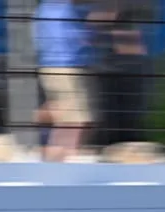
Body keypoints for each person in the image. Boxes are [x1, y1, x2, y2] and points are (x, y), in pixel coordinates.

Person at [33, 0, 101, 161]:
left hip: (62, 65)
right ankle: (64, 158)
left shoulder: (48, 7)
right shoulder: (57, 7)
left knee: (70, 115)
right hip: (65, 66)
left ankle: (60, 156)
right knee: (74, 120)